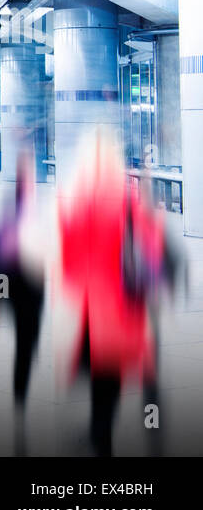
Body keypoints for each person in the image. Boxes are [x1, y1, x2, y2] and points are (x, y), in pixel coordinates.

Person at [59, 127, 159, 456]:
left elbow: (69, 262)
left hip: (95, 304)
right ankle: (103, 432)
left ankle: (100, 435)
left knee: (99, 370)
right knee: (112, 371)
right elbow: (151, 248)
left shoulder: (79, 200)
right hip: (123, 302)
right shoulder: (128, 200)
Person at [0, 145, 47, 454]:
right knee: (27, 343)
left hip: (22, 286)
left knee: (28, 342)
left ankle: (20, 398)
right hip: (22, 285)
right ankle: (20, 399)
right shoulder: (15, 210)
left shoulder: (23, 210)